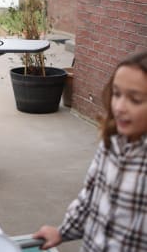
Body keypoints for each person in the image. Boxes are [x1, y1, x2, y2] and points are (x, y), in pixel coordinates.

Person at [33, 51, 147, 251]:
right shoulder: (111, 141)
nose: (119, 107)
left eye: (135, 100)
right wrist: (63, 231)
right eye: (117, 94)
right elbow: (90, 196)